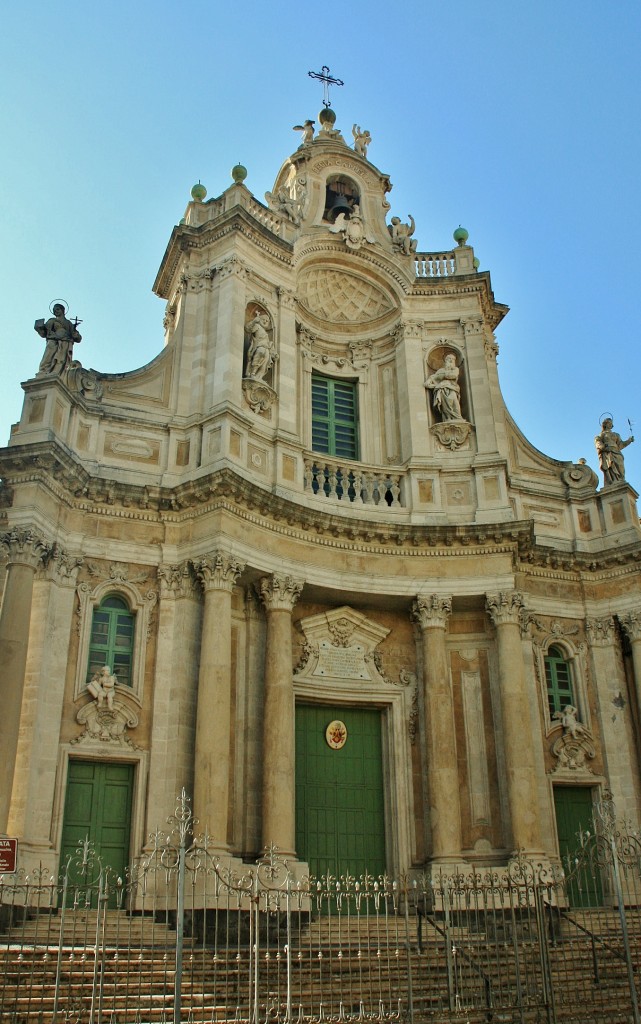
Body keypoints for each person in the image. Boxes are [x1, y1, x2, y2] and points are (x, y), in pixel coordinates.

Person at [34, 303, 82, 375]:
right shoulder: (52, 320)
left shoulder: (68, 323)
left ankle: (57, 372)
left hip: (65, 342)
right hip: (53, 340)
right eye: (54, 310)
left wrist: (76, 335)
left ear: (62, 310)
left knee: (61, 359)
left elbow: (77, 337)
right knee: (48, 355)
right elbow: (44, 333)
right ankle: (44, 371)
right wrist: (39, 328)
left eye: (57, 309)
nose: (55, 311)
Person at [595, 417, 634, 485]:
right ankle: (613, 481)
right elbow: (598, 443)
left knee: (620, 468)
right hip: (608, 452)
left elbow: (620, 445)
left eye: (611, 423)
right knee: (610, 466)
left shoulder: (616, 434)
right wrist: (603, 447)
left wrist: (629, 440)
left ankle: (620, 480)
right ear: (605, 424)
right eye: (609, 423)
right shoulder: (601, 435)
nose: (610, 425)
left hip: (617, 452)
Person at [425, 354, 463, 421]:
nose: (451, 360)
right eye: (449, 359)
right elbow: (433, 377)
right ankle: (447, 418)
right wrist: (429, 381)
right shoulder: (441, 370)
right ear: (445, 361)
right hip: (442, 389)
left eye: (453, 359)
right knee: (445, 405)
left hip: (452, 388)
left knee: (454, 402)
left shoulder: (455, 369)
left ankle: (457, 417)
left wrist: (443, 375)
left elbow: (453, 375)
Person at [245, 312, 275, 381]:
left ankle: (259, 377)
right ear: (259, 319)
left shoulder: (265, 332)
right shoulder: (257, 326)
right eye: (263, 319)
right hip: (259, 346)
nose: (265, 321)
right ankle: (252, 373)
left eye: (267, 321)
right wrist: (254, 321)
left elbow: (269, 343)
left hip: (266, 348)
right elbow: (247, 328)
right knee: (258, 356)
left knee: (264, 365)